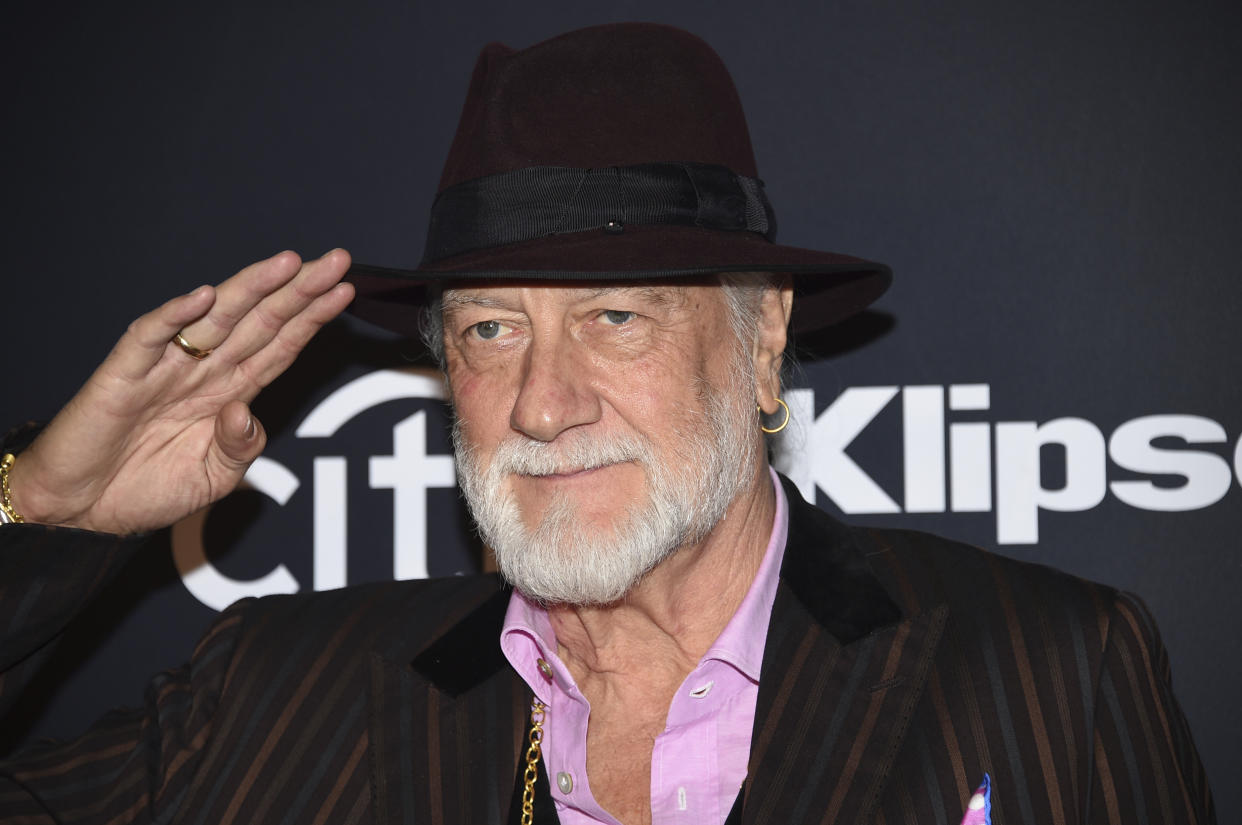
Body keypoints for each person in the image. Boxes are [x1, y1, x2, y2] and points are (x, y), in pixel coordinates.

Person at [0, 22, 1213, 825]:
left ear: (764, 343)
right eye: (489, 330)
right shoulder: (274, 687)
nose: (541, 399)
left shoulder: (1050, 666)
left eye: (617, 318)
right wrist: (38, 515)